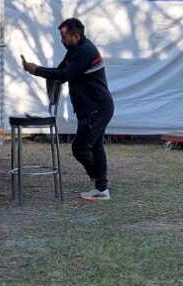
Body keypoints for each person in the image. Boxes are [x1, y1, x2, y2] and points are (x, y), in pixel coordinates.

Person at [22, 18, 116, 201]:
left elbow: (65, 75)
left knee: (80, 147)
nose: (61, 40)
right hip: (92, 108)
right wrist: (36, 69)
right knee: (95, 146)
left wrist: (37, 70)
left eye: (64, 37)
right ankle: (101, 188)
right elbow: (59, 71)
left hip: (97, 108)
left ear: (76, 35)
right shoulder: (74, 50)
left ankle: (100, 183)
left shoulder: (85, 51)